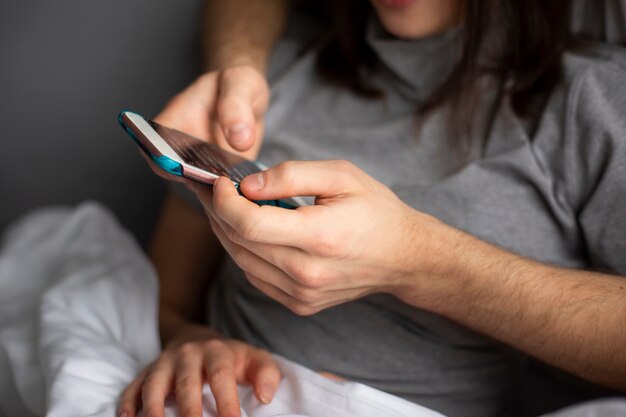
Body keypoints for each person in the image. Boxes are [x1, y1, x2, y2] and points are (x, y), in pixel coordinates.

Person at [118, 1, 626, 417]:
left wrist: (417, 261)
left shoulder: (587, 102)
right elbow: (170, 303)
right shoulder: (271, 80)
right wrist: (193, 343)